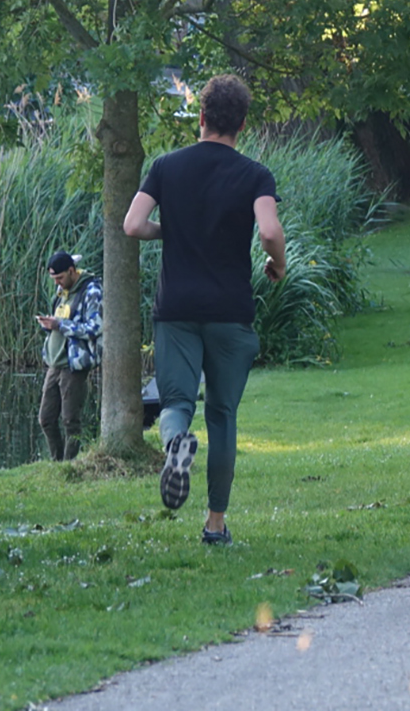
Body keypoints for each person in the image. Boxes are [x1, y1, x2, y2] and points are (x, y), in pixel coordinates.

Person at [122, 74, 286, 544]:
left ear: (201, 117)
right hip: (230, 312)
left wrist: (168, 231)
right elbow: (270, 233)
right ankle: (215, 524)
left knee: (176, 402)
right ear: (242, 125)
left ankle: (175, 443)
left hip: (176, 309)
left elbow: (133, 224)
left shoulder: (166, 166)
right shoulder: (255, 174)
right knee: (222, 415)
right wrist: (278, 263)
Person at [34, 250, 102, 462]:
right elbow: (61, 320)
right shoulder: (62, 291)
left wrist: (60, 325)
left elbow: (95, 328)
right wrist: (50, 324)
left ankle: (70, 464)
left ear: (72, 271)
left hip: (74, 365)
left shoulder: (92, 290)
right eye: (54, 279)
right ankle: (58, 462)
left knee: (71, 420)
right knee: (45, 419)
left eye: (61, 278)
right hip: (55, 363)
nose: (58, 284)